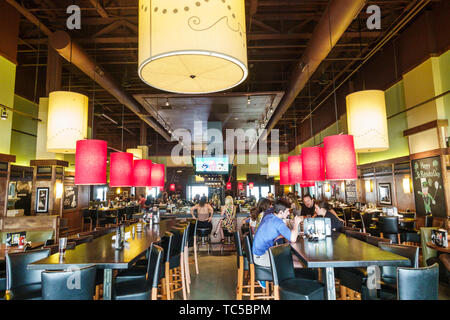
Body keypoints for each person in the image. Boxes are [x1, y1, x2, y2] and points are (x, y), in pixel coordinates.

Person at [252, 200, 302, 273]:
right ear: (281, 212)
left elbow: (269, 232)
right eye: (287, 211)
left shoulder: (269, 216)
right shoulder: (278, 222)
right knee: (300, 264)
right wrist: (296, 223)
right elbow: (293, 239)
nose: (289, 213)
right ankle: (284, 281)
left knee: (295, 258)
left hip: (259, 253)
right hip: (262, 257)